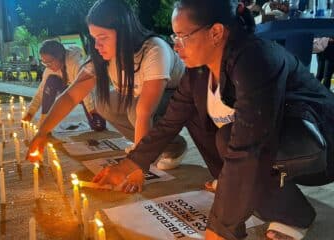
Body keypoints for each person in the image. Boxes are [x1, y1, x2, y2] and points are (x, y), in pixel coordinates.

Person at [92, 0, 334, 240]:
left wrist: (221, 227)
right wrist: (128, 165)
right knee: (203, 124)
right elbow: (169, 123)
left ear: (216, 32)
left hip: (320, 148)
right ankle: (278, 204)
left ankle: (292, 216)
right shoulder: (198, 72)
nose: (176, 46)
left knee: (231, 139)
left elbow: (250, 145)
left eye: (182, 36)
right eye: (173, 37)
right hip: (274, 146)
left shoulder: (256, 59)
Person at [26, 0, 187, 170]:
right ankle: (154, 148)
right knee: (104, 103)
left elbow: (144, 112)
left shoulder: (153, 50)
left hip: (179, 98)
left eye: (103, 38)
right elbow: (71, 95)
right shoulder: (102, 55)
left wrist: (136, 166)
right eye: (94, 38)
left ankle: (172, 147)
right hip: (141, 100)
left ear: (124, 32)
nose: (97, 45)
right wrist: (42, 132)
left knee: (136, 110)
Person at [23, 40, 106, 131]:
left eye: (49, 62)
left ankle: (98, 113)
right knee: (51, 81)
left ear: (59, 57)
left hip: (85, 92)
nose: (47, 66)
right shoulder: (49, 70)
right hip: (69, 92)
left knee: (98, 126)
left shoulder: (75, 63)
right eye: (44, 63)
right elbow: (41, 92)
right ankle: (44, 121)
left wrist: (92, 110)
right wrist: (30, 113)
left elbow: (86, 89)